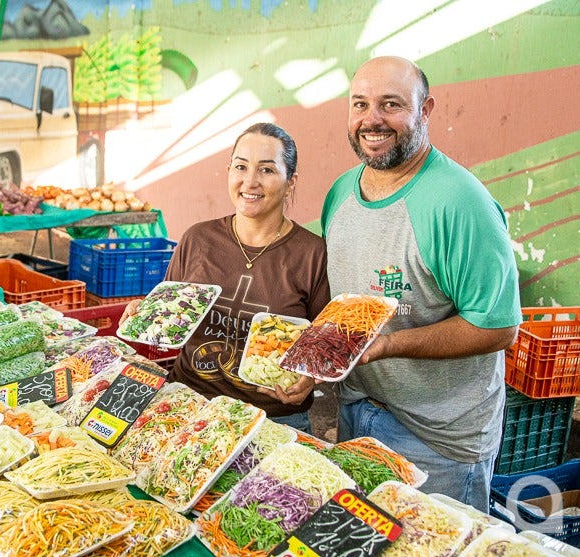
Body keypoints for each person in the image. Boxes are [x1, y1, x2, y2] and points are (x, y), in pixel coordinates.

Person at [320, 56, 521, 510]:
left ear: (425, 110)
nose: (372, 120)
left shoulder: (460, 203)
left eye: (391, 104)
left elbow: (498, 327)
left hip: (439, 440)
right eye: (360, 104)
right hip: (357, 410)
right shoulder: (341, 194)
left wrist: (390, 345)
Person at [122, 122, 331, 431]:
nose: (250, 181)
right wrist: (147, 315)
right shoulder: (198, 239)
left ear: (290, 182)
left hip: (273, 419)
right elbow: (171, 314)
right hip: (190, 407)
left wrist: (309, 377)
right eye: (241, 167)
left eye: (267, 170)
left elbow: (324, 344)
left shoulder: (312, 254)